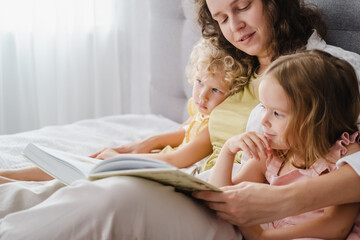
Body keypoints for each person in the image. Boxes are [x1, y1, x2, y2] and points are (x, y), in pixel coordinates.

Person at [0, 0, 360, 238]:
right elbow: (204, 136)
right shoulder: (237, 70)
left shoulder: (336, 71)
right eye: (221, 18)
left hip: (233, 204)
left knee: (113, 197)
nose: (234, 26)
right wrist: (150, 147)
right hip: (210, 185)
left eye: (243, 6)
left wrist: (286, 201)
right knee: (71, 186)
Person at [0, 37, 247, 183]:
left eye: (216, 91)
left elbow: (176, 159)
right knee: (86, 160)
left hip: (163, 166)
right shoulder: (201, 110)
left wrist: (121, 159)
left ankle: (16, 178)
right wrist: (148, 142)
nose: (202, 95)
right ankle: (12, 176)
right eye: (200, 82)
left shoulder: (213, 128)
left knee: (88, 169)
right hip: (156, 156)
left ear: (231, 96)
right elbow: (184, 130)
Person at [209, 50, 360, 239]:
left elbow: (335, 227)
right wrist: (228, 150)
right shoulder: (273, 153)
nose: (263, 120)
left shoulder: (343, 158)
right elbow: (223, 199)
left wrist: (263, 236)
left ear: (316, 121)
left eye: (277, 113)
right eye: (264, 107)